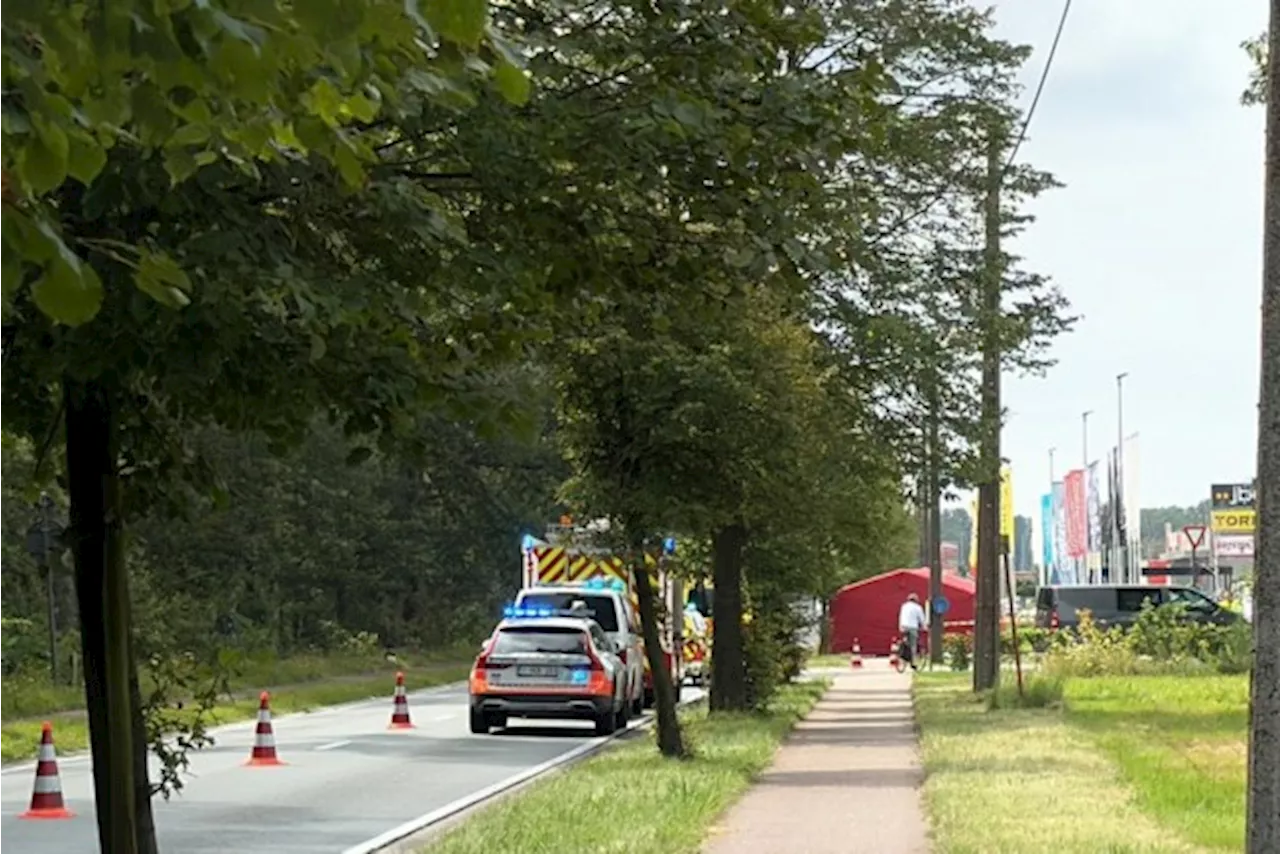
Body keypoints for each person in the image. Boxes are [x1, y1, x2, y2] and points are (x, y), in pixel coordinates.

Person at [898, 593, 927, 671]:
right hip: (912, 627)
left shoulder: (904, 606)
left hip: (904, 626)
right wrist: (924, 627)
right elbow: (921, 619)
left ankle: (902, 658)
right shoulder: (917, 608)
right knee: (913, 646)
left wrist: (900, 627)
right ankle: (913, 663)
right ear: (916, 600)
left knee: (905, 643)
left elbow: (901, 616)